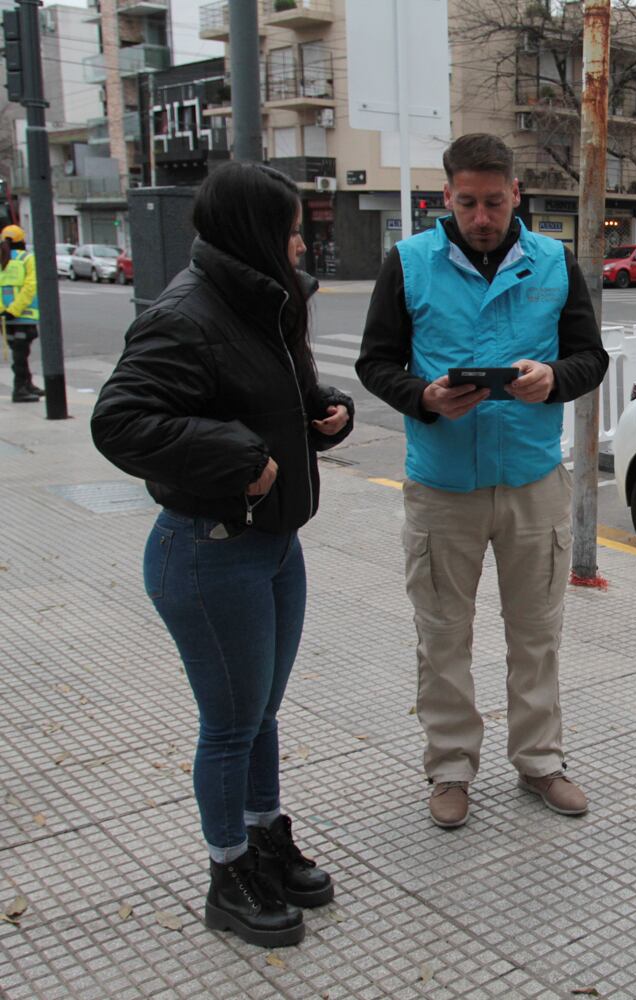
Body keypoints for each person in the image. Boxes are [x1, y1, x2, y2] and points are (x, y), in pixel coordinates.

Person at [91, 162, 355, 949]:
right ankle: (227, 872)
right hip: (210, 554)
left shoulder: (261, 305)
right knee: (230, 726)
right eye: (292, 227)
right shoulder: (186, 313)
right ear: (256, 234)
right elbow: (122, 421)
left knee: (261, 714)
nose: (302, 240)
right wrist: (238, 454)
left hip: (272, 544)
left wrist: (318, 411)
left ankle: (263, 834)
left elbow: (260, 390)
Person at [357, 133, 607, 830]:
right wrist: (423, 398)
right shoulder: (408, 264)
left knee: (537, 634)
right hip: (442, 485)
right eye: (467, 202)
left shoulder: (555, 262)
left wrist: (555, 377)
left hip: (531, 480)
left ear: (515, 195)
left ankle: (540, 761)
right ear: (447, 197)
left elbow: (592, 358)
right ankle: (450, 769)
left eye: (494, 202)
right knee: (442, 634)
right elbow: (375, 363)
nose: (481, 216)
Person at [1, 224, 43, 402]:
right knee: (21, 353)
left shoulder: (2, 258)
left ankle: (27, 384)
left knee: (19, 352)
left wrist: (5, 311)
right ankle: (20, 389)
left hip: (5, 317)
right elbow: (30, 287)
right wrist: (14, 310)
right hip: (22, 315)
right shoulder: (27, 259)